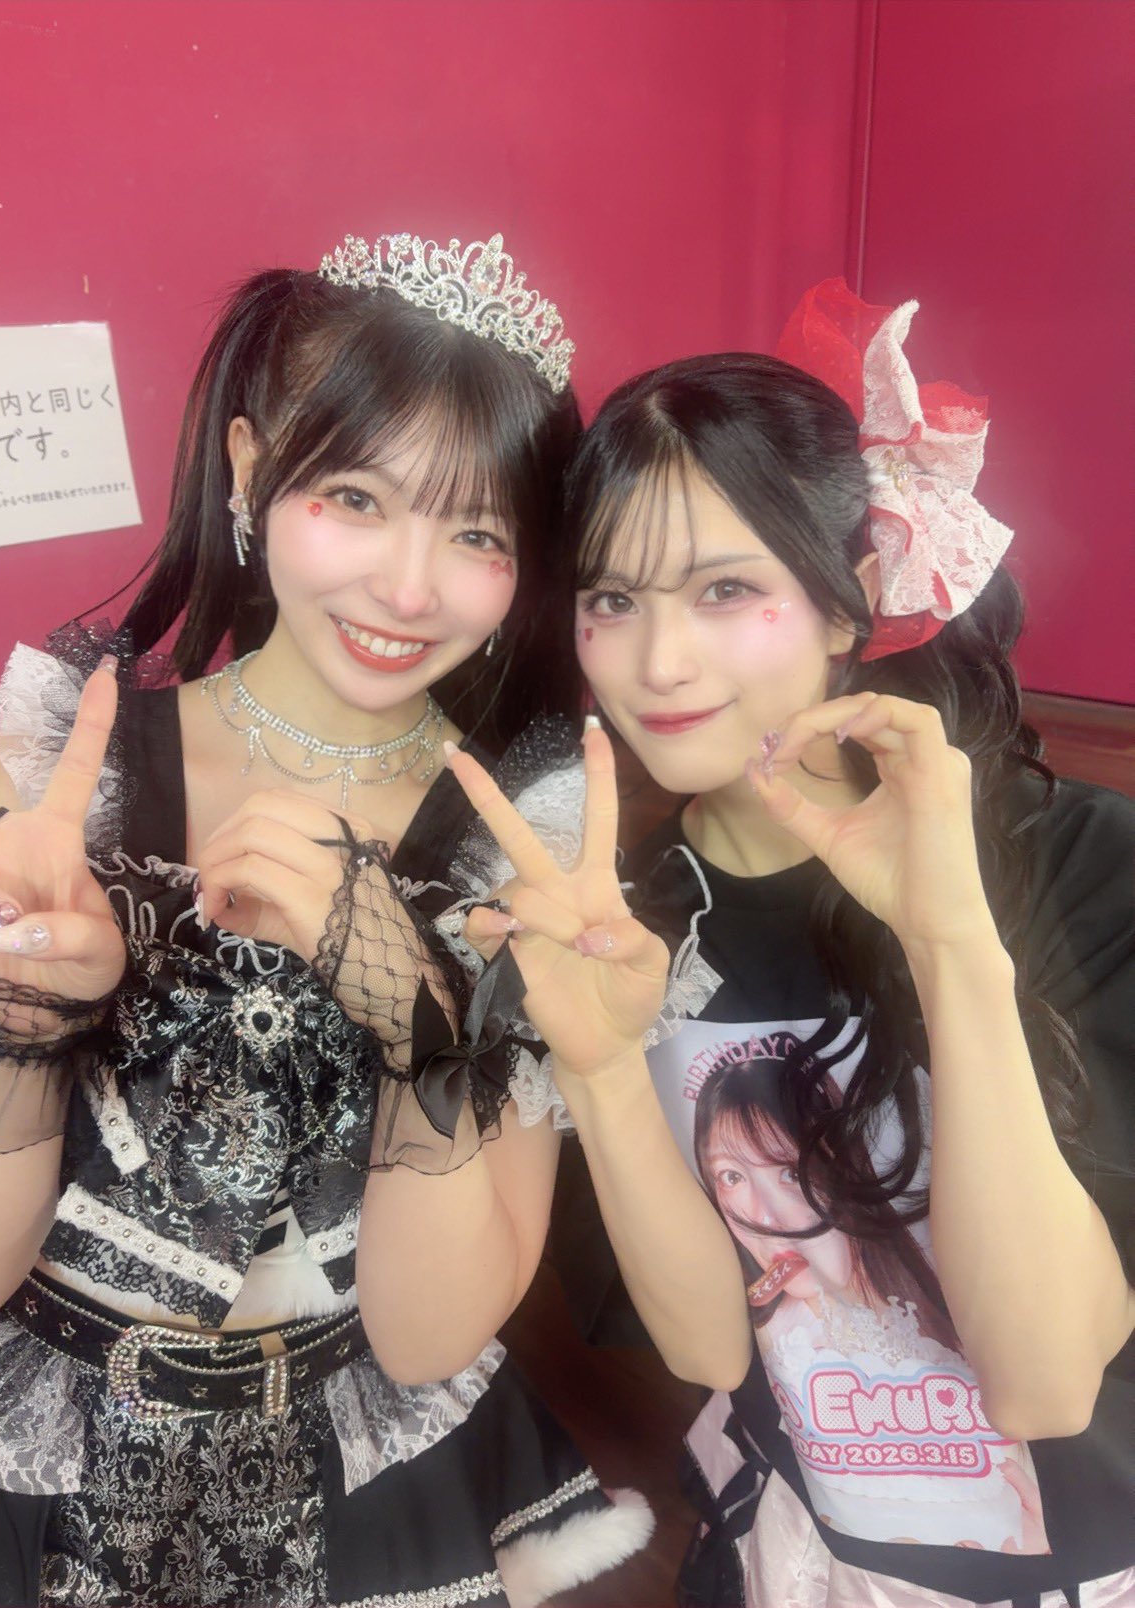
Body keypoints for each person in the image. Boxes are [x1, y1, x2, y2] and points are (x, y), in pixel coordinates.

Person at [0, 231, 651, 1606]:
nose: (408, 588)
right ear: (252, 470)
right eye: (357, 498)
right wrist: (25, 1027)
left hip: (353, 1493)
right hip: (22, 1483)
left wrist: (422, 1033)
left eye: (478, 532)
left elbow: (428, 1339)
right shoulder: (51, 781)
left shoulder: (522, 859)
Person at [446, 280, 1134, 1605]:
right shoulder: (623, 914)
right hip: (812, 1561)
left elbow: (1048, 1382)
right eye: (612, 598)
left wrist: (947, 944)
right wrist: (600, 1063)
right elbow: (712, 1350)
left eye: (724, 588)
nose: (658, 662)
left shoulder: (1076, 866)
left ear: (846, 601)